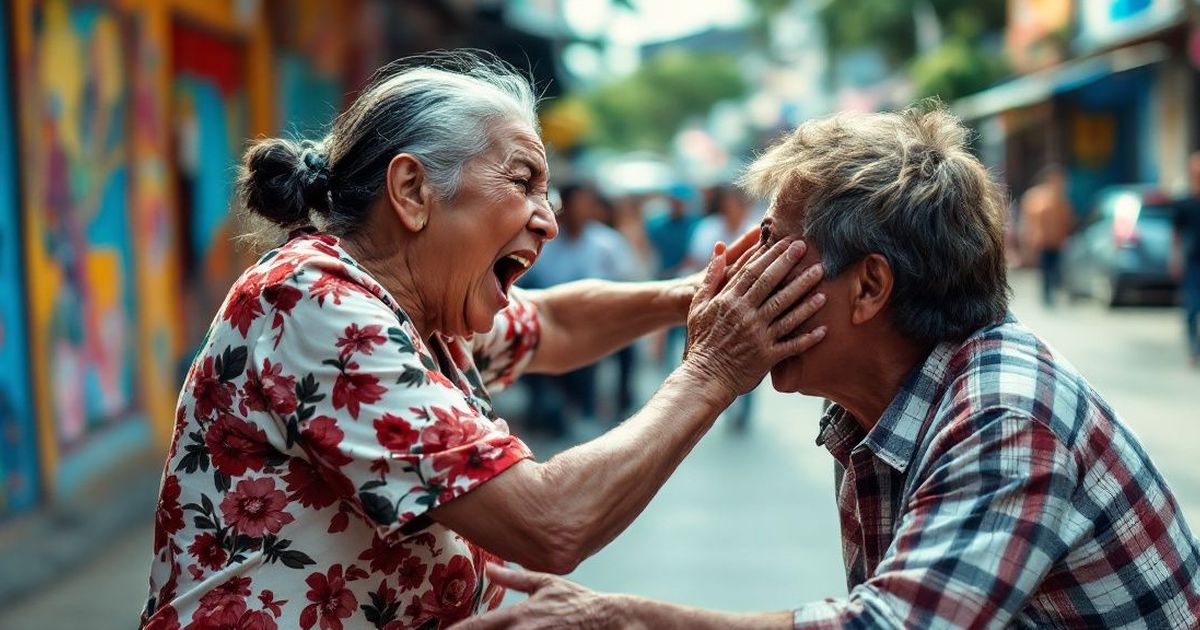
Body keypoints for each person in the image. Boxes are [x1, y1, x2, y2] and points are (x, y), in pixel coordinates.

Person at [139, 51, 828, 629]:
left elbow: (554, 324)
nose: (549, 221)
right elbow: (550, 521)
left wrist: (694, 297)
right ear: (412, 191)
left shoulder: (426, 311)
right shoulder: (314, 300)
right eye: (523, 181)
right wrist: (711, 369)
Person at [456, 107, 1200, 629]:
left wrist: (615, 620)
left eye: (772, 247)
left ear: (870, 288)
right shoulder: (877, 401)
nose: (744, 268)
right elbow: (545, 325)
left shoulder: (1004, 410)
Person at [518, 183, 635, 435]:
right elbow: (530, 280)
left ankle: (607, 402)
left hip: (596, 320)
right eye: (577, 203)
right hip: (550, 317)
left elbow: (627, 281)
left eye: (587, 203)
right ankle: (543, 402)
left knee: (625, 346)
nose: (581, 210)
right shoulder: (546, 241)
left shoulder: (606, 242)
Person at [686, 185, 763, 431]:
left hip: (750, 302)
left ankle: (743, 409)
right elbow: (700, 262)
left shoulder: (757, 228)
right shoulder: (710, 228)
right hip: (713, 301)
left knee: (752, 356)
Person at [646, 183, 700, 368]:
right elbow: (648, 249)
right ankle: (666, 366)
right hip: (664, 279)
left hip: (688, 280)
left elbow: (695, 254)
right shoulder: (657, 225)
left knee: (687, 327)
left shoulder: (695, 224)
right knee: (664, 324)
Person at [1021, 166, 1074, 307]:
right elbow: (1030, 221)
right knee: (1045, 269)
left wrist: (1065, 237)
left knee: (1055, 268)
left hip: (1057, 241)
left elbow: (1066, 220)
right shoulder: (1036, 197)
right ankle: (1047, 295)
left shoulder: (1060, 199)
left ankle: (1053, 293)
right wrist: (1029, 241)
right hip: (1042, 241)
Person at [1171, 152, 1200, 367]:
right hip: (1192, 263)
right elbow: (1177, 235)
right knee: (1191, 309)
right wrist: (1175, 258)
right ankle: (1194, 351)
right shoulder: (1184, 202)